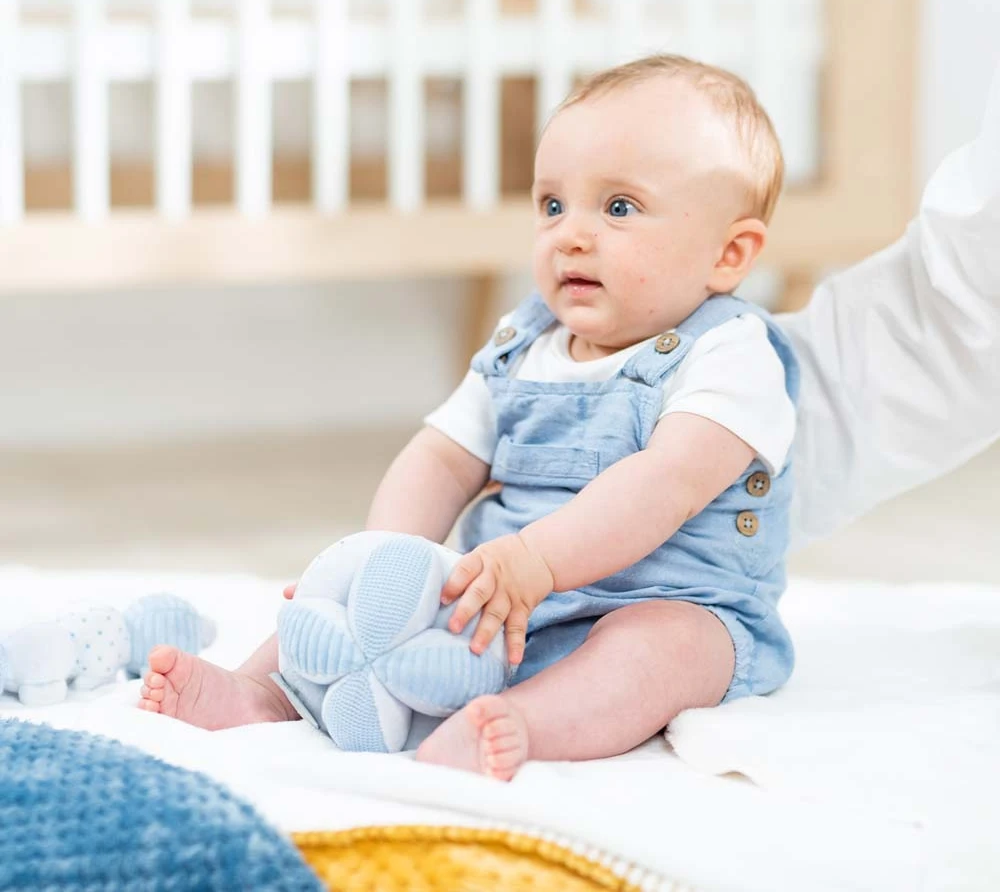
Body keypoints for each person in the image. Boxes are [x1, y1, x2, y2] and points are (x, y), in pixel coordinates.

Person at [139, 55, 1000, 781]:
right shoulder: (524, 344)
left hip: (673, 602)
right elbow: (440, 458)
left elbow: (665, 482)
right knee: (350, 599)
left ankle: (523, 725)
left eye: (618, 208)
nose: (571, 235)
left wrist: (539, 562)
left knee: (659, 652)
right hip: (502, 597)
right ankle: (262, 690)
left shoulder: (732, 355)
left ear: (728, 254)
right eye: (553, 205)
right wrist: (383, 563)